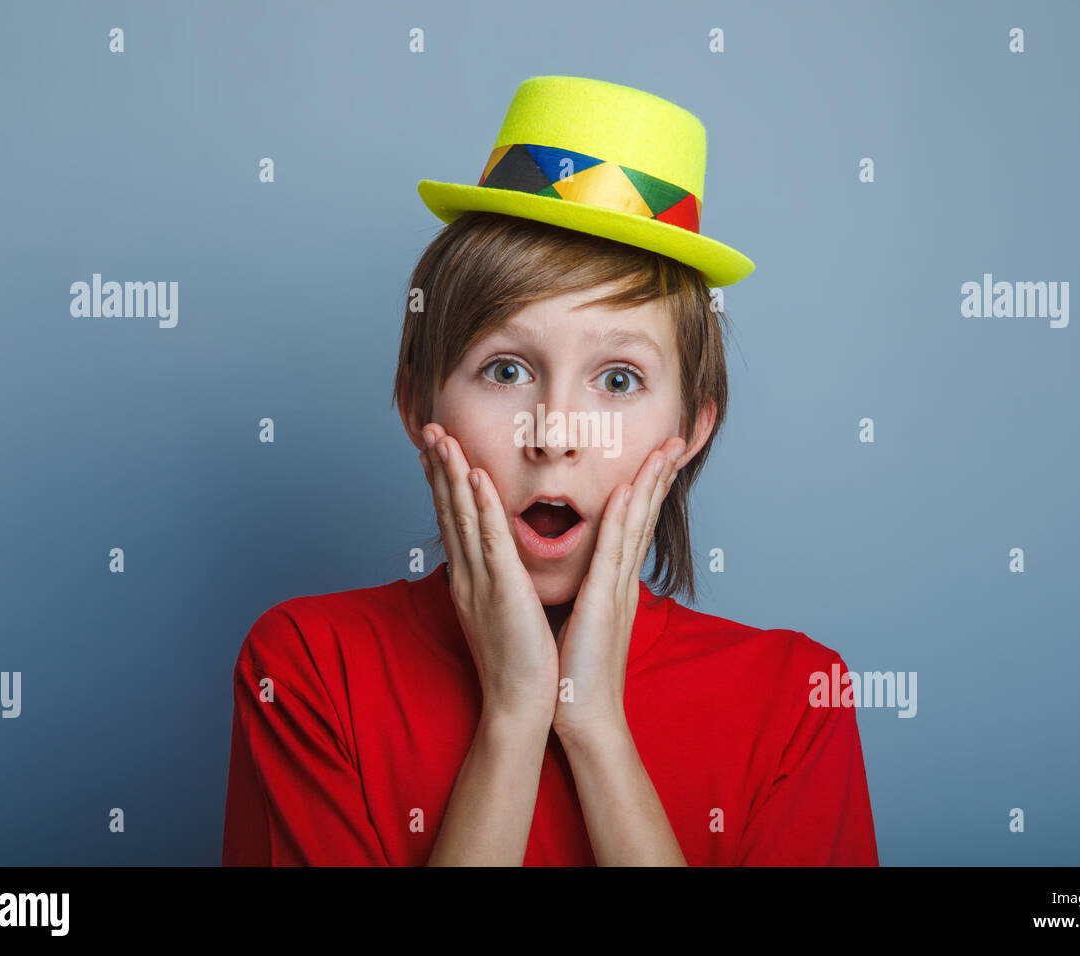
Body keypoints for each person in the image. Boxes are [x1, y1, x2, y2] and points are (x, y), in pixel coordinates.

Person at [222, 75, 878, 866]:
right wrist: (514, 716)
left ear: (691, 426)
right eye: (505, 371)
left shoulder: (797, 700)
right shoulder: (306, 669)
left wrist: (595, 725)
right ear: (415, 408)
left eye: (619, 379)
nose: (555, 432)